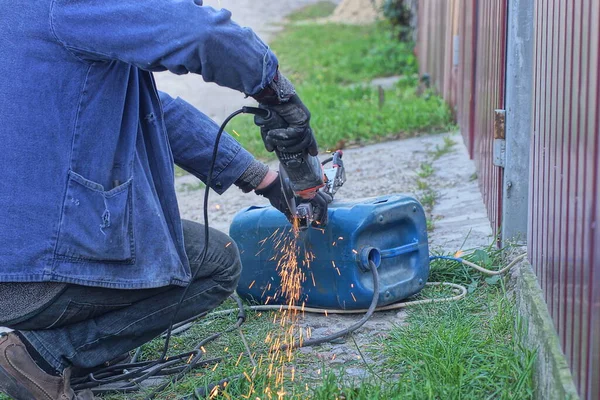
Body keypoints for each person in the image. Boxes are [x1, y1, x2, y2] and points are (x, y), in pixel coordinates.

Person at [0, 1, 324, 399]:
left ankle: (73, 346)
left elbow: (151, 111)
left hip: (17, 261)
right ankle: (42, 354)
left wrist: (265, 180)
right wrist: (277, 93)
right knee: (215, 262)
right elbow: (200, 33)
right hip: (29, 276)